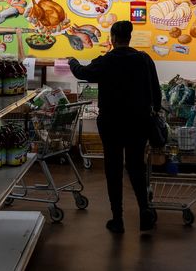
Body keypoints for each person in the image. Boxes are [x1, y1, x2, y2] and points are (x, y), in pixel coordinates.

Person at [68, 21, 162, 234]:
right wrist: (154, 110)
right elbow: (156, 91)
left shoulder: (107, 61)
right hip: (138, 123)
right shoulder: (144, 60)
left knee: (113, 168)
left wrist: (72, 61)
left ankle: (117, 219)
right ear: (129, 37)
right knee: (136, 166)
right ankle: (145, 212)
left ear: (112, 38)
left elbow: (83, 72)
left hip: (111, 123)